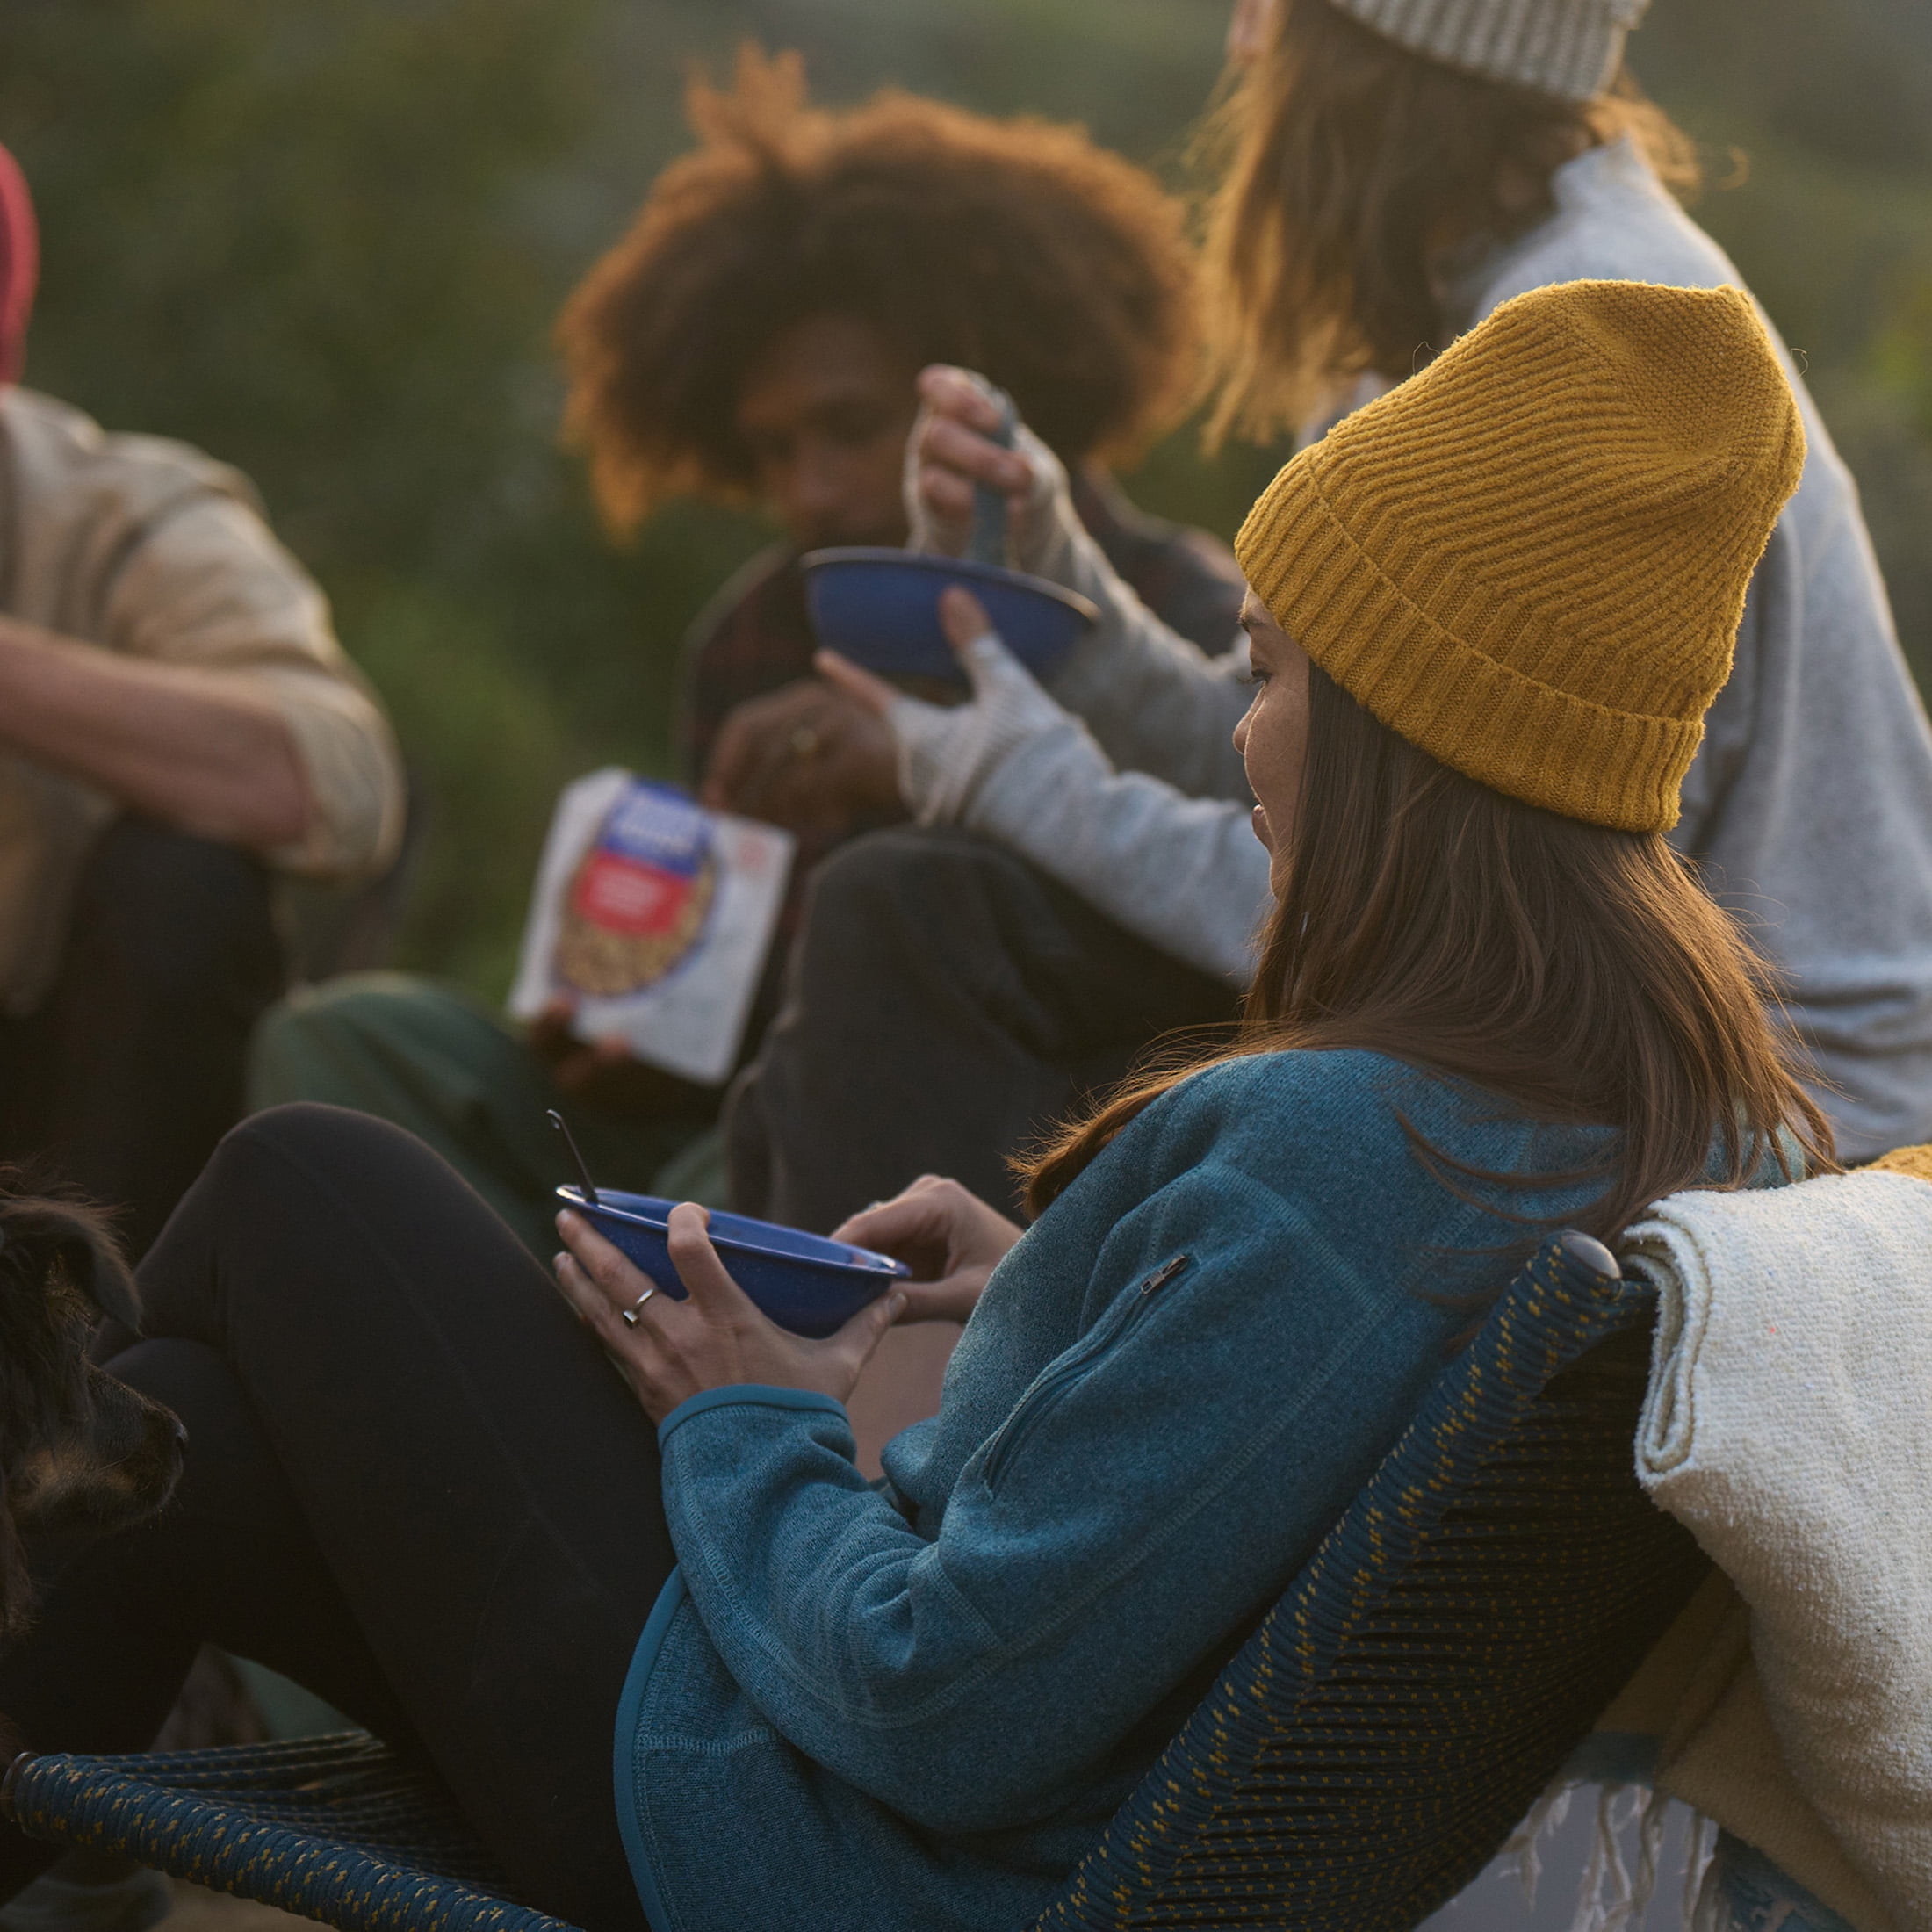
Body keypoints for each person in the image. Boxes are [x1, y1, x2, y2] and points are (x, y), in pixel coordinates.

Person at [0, 281, 1850, 1932]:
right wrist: (1071, 1283)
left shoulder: (1339, 1164)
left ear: (1403, 747)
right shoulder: (1687, 1124)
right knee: (175, 1432)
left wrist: (747, 1418)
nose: (1236, 731)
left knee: (295, 1183)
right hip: (966, 1814)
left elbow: (937, 1699)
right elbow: (1254, 1430)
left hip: (821, 1841)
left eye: (1271, 675)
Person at [726, 0, 1932, 1238]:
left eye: (1273, 13)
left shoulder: (1591, 346)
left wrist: (1014, 780)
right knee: (937, 907)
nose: (1244, 46)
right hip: (1585, 1027)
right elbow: (1295, 746)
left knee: (922, 914)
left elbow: (1412, 898)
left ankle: (862, 1401)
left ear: (1374, 66)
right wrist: (1059, 583)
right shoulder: (1446, 306)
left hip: (1771, 1110)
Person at [247, 50, 1244, 1257]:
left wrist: (915, 773)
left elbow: (1237, 933)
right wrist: (629, 1029)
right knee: (345, 1042)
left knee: (719, 1180)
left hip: (1005, 1158)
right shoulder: (762, 631)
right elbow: (731, 1010)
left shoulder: (1190, 610)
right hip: (730, 1119)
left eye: (850, 428)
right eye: (770, 451)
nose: (808, 490)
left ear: (996, 394)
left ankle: (589, 1322)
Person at [0, 143, 405, 1258]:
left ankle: (93, 1370)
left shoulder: (125, 512)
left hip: (58, 1113)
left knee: (179, 886)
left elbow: (337, 776)